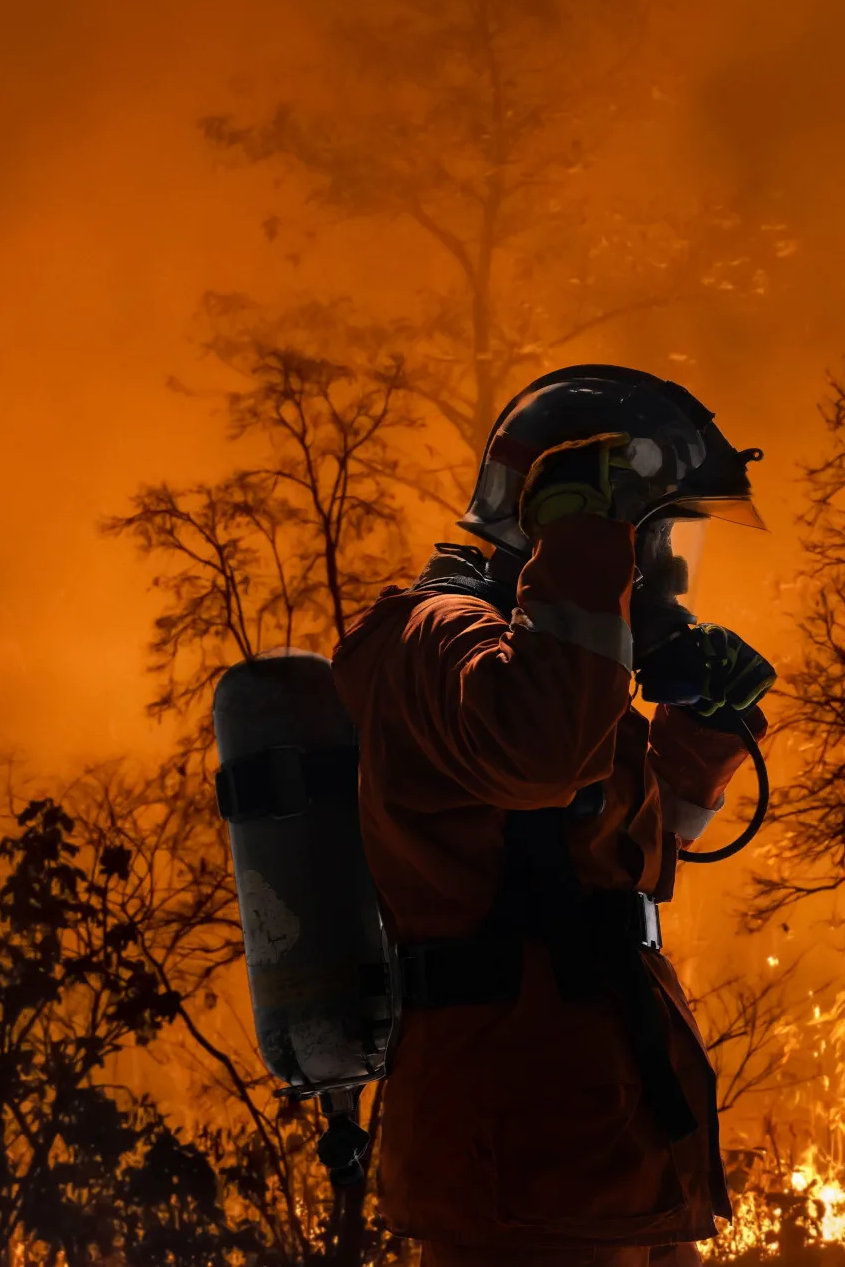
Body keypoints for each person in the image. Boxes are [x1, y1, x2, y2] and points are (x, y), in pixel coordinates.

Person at [333, 365, 777, 1267]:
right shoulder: (434, 640)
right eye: (652, 533)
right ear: (563, 512)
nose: (667, 567)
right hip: (522, 1161)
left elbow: (627, 867)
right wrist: (586, 551)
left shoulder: (543, 657)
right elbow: (539, 758)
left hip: (608, 1151)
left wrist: (705, 734)